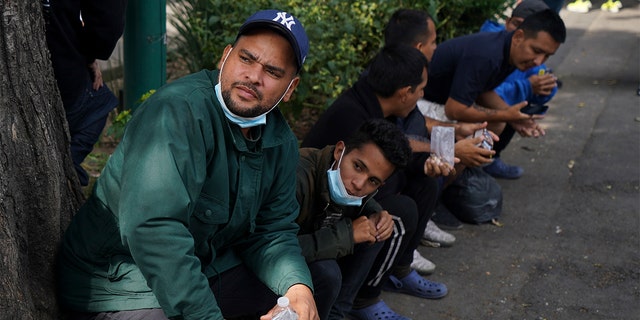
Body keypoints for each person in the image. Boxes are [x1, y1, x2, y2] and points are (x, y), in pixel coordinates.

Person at [57, 9, 319, 320]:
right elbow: (155, 231)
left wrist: (298, 287)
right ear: (225, 57)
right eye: (246, 59)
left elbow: (271, 232)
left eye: (273, 72)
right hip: (120, 283)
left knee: (315, 288)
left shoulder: (281, 142)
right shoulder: (177, 112)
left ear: (290, 88)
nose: (253, 76)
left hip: (201, 268)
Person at [302, 45, 447, 320]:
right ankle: (353, 304)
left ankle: (384, 281)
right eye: (420, 89)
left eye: (371, 180)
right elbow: (279, 245)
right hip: (309, 225)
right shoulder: (352, 118)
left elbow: (382, 171)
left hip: (330, 213)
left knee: (383, 218)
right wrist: (353, 229)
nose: (422, 96)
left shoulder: (387, 114)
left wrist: (376, 210)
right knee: (332, 266)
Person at [383, 8, 500, 232]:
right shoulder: (391, 81)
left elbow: (416, 119)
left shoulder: (408, 72)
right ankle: (409, 226)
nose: (437, 48)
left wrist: (457, 130)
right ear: (418, 48)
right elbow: (393, 138)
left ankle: (426, 213)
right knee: (434, 160)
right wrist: (450, 150)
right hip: (384, 171)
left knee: (440, 151)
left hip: (400, 146)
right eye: (434, 42)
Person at [419, 9, 567, 179]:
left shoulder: (509, 50)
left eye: (547, 56)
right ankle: (441, 191)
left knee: (497, 124)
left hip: (443, 101)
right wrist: (506, 114)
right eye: (536, 50)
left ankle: (455, 180)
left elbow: (483, 91)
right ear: (518, 36)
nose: (539, 62)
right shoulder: (487, 56)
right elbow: (454, 110)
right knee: (485, 130)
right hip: (419, 102)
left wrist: (516, 118)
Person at [297, 119, 412, 320]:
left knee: (374, 228)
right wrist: (347, 235)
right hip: (265, 268)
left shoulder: (352, 185)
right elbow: (273, 249)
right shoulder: (298, 176)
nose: (359, 184)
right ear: (339, 151)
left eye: (373, 181)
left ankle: (337, 313)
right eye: (358, 167)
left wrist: (377, 213)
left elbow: (367, 202)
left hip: (309, 250)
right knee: (327, 272)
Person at [42, 0, 126, 186]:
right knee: (98, 107)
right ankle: (62, 169)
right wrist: (90, 54)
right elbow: (106, 26)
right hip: (58, 67)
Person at [480, 0, 560, 179]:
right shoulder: (489, 48)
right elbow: (483, 94)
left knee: (524, 106)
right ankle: (474, 164)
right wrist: (527, 86)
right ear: (508, 22)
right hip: (464, 108)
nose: (519, 35)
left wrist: (545, 86)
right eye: (516, 25)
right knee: (502, 115)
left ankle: (490, 158)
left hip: (491, 105)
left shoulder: (532, 52)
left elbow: (538, 88)